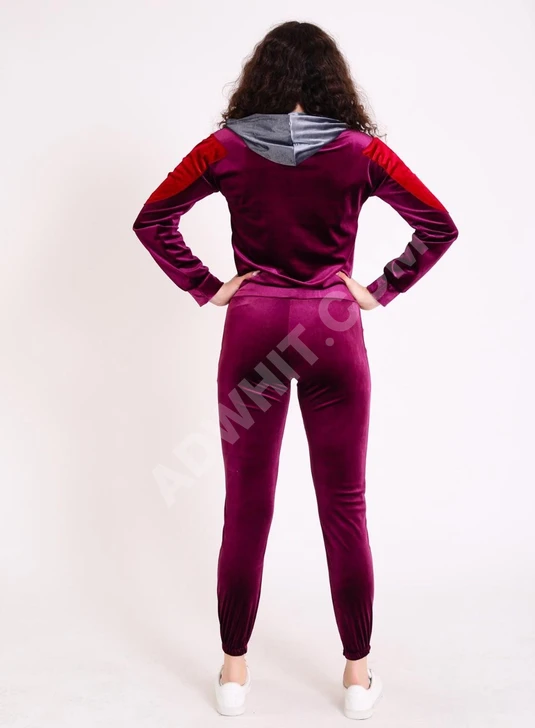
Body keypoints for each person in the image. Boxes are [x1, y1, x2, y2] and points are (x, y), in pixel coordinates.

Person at [132, 20, 459, 720]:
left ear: (262, 78)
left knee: (246, 504)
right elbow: (437, 225)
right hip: (331, 329)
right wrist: (378, 289)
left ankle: (233, 674)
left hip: (253, 327)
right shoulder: (360, 151)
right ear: (332, 80)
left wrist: (208, 286)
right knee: (345, 505)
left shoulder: (224, 147)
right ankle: (357, 678)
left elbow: (153, 219)